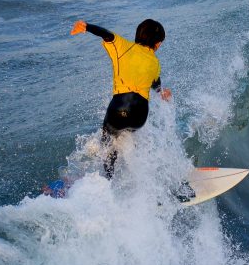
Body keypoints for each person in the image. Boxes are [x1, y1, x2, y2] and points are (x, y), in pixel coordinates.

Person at [70, 18, 172, 178]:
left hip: (119, 109)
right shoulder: (155, 62)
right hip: (140, 116)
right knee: (129, 136)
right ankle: (141, 174)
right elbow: (155, 82)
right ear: (157, 43)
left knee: (108, 142)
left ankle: (107, 180)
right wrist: (161, 92)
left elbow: (106, 35)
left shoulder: (123, 45)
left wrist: (86, 27)